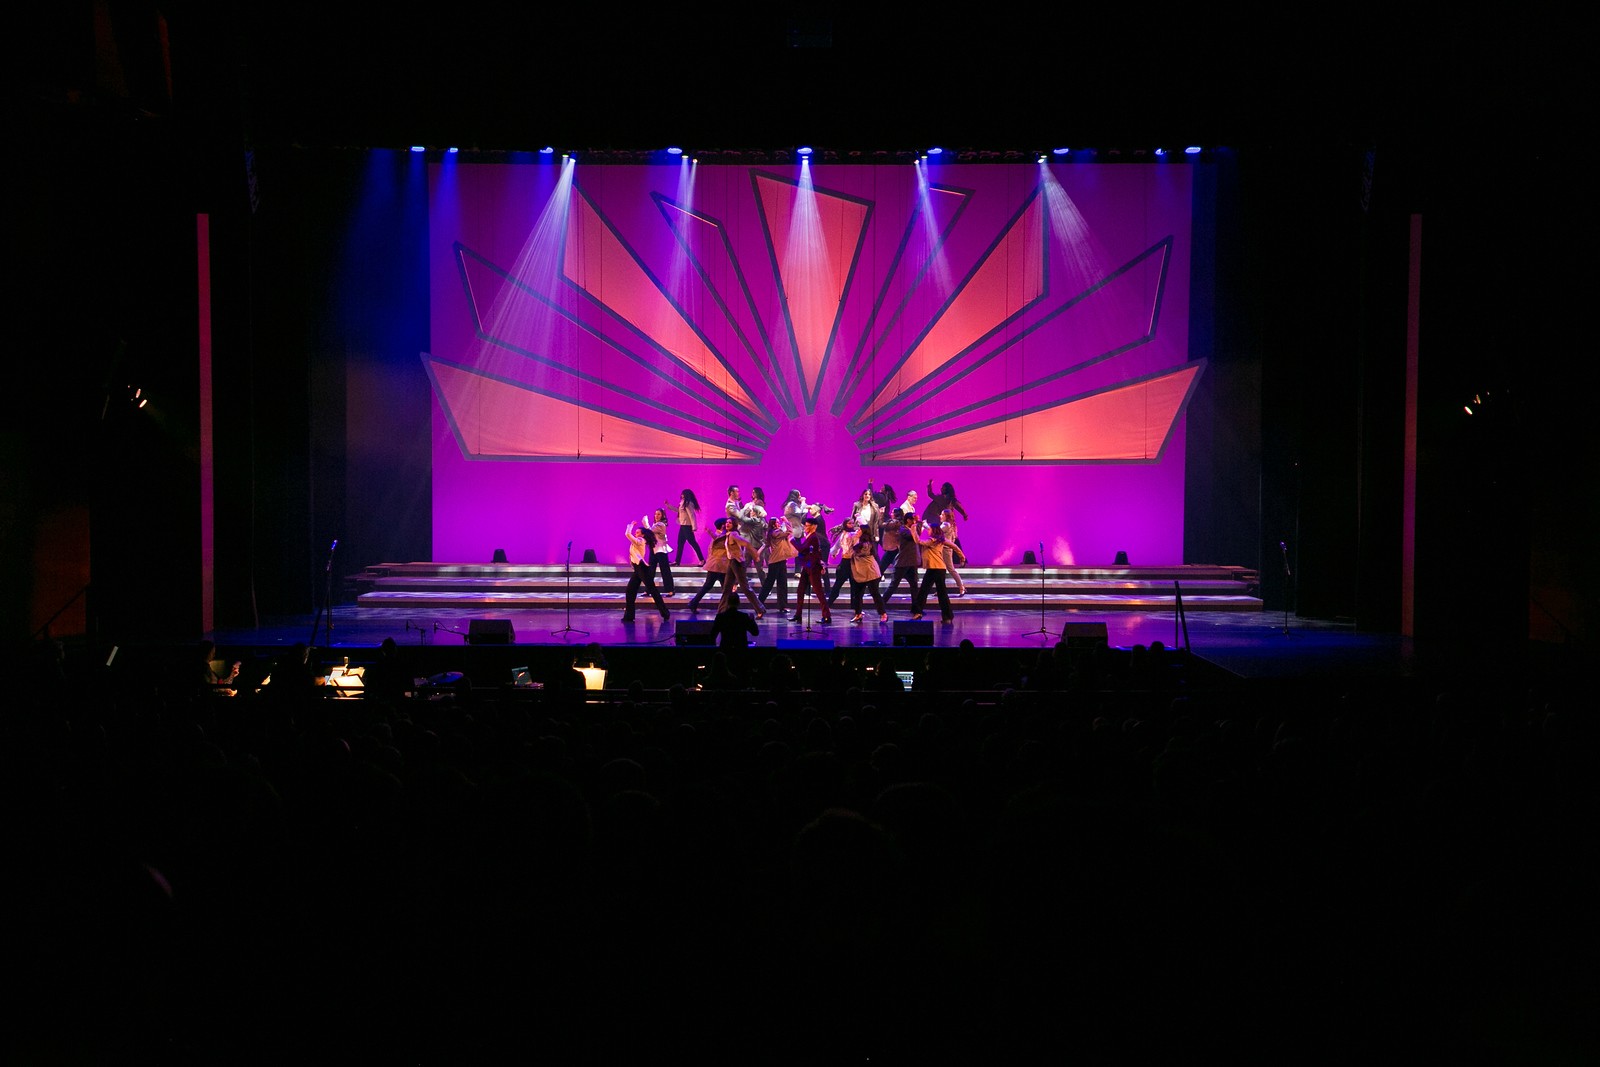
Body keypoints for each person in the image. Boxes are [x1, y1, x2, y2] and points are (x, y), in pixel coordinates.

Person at [621, 520, 670, 622]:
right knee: (630, 591)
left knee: (652, 590)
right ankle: (629, 616)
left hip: (642, 568)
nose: (636, 533)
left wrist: (631, 525)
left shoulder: (640, 540)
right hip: (638, 569)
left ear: (642, 535)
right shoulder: (638, 541)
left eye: (638, 532)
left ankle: (665, 612)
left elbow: (627, 534)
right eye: (636, 532)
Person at [719, 515, 766, 617]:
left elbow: (747, 544)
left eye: (730, 523)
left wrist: (755, 555)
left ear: (734, 525)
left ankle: (760, 609)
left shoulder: (733, 535)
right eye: (727, 522)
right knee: (727, 587)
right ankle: (721, 611)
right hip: (732, 562)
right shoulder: (728, 534)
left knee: (745, 588)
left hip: (737, 563)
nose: (727, 524)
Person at [790, 513, 831, 624]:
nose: (805, 527)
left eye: (807, 526)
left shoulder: (813, 537)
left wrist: (792, 540)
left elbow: (802, 549)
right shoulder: (809, 537)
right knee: (800, 591)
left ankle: (827, 616)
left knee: (819, 592)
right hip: (807, 567)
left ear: (813, 527)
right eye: (805, 525)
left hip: (813, 568)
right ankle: (798, 615)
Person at [912, 522, 955, 623]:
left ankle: (918, 612)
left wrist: (913, 528)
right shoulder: (941, 540)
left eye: (930, 529)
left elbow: (918, 541)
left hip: (935, 569)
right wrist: (962, 556)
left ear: (934, 531)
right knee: (941, 593)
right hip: (938, 569)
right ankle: (947, 616)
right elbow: (954, 546)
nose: (928, 531)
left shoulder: (932, 541)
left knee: (925, 591)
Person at [710, 592, 759, 680]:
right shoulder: (743, 617)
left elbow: (712, 635)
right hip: (741, 652)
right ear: (739, 603)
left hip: (725, 650)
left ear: (727, 602)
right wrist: (752, 621)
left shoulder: (720, 617)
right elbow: (755, 632)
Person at [686, 518, 732, 609]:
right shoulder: (721, 537)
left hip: (718, 566)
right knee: (721, 587)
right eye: (726, 523)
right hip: (718, 566)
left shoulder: (719, 536)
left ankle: (694, 603)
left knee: (717, 587)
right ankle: (727, 607)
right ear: (723, 526)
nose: (727, 525)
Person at [846, 527, 889, 623]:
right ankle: (858, 614)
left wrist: (855, 539)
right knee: (857, 594)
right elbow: (848, 552)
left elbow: (856, 552)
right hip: (860, 572)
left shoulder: (866, 544)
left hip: (870, 572)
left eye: (859, 530)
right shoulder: (857, 541)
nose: (857, 531)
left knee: (875, 593)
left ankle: (883, 614)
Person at [757, 513, 796, 613]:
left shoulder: (774, 533)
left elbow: (765, 545)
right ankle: (758, 603)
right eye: (777, 522)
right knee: (769, 583)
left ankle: (783, 606)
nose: (779, 523)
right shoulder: (775, 533)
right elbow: (789, 531)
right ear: (774, 525)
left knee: (782, 583)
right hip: (775, 561)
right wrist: (786, 521)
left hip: (781, 560)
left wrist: (757, 554)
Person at [881, 512, 921, 604]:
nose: (915, 521)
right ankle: (881, 604)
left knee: (914, 585)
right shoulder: (903, 529)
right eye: (913, 519)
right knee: (894, 585)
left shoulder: (912, 529)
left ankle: (916, 608)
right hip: (903, 562)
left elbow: (917, 535)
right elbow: (912, 537)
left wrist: (917, 524)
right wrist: (916, 526)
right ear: (908, 520)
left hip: (912, 561)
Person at [825, 515, 862, 607]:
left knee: (854, 585)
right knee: (839, 584)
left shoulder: (850, 534)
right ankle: (828, 604)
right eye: (849, 523)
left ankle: (855, 607)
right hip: (846, 561)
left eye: (853, 523)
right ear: (845, 524)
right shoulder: (848, 534)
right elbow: (840, 545)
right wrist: (834, 552)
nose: (852, 525)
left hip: (852, 561)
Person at [938, 507, 969, 596]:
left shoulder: (946, 525)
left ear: (946, 516)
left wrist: (925, 526)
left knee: (951, 569)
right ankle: (940, 589)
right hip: (943, 550)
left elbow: (935, 532)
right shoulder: (948, 524)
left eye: (942, 514)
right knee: (940, 570)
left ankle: (961, 587)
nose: (940, 516)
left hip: (945, 550)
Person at [647, 508, 676, 595]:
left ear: (662, 515)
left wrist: (645, 523)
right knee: (650, 571)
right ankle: (648, 590)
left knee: (665, 570)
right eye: (655, 514)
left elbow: (649, 531)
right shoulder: (655, 524)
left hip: (660, 550)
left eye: (659, 514)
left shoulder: (661, 524)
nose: (656, 516)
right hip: (654, 549)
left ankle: (670, 590)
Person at [675, 489, 705, 566]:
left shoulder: (688, 503)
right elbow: (678, 510)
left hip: (687, 526)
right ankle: (677, 561)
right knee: (680, 543)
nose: (681, 495)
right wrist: (668, 506)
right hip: (683, 526)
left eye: (683, 494)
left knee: (692, 542)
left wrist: (694, 527)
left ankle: (702, 560)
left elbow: (692, 515)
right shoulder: (682, 503)